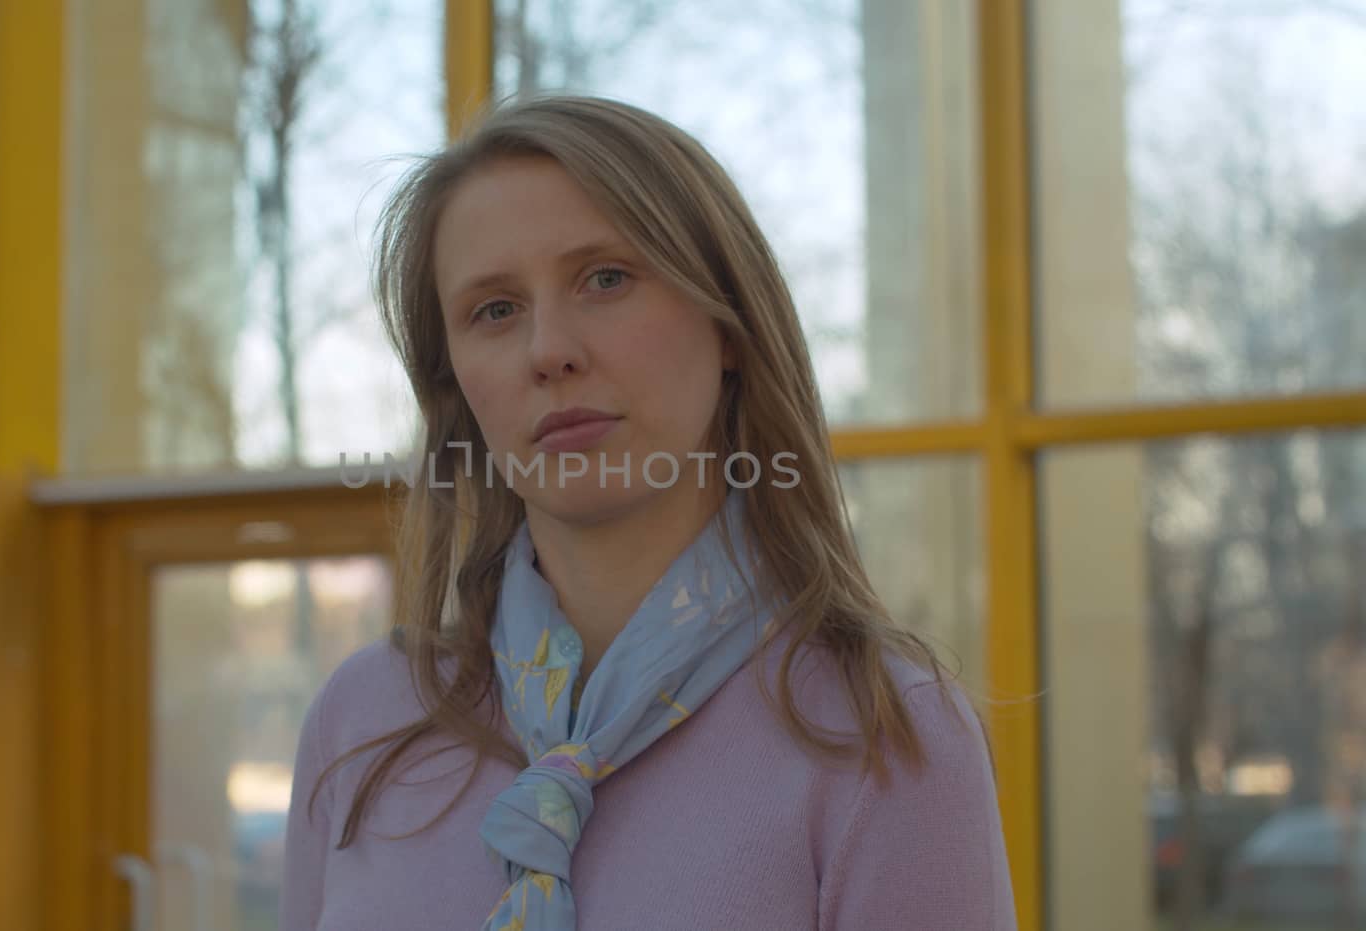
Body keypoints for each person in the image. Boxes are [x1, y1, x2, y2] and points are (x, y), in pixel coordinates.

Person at [280, 94, 1016, 931]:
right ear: (455, 387)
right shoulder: (365, 720)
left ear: (729, 325)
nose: (549, 349)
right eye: (494, 308)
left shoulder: (887, 736)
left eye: (606, 278)